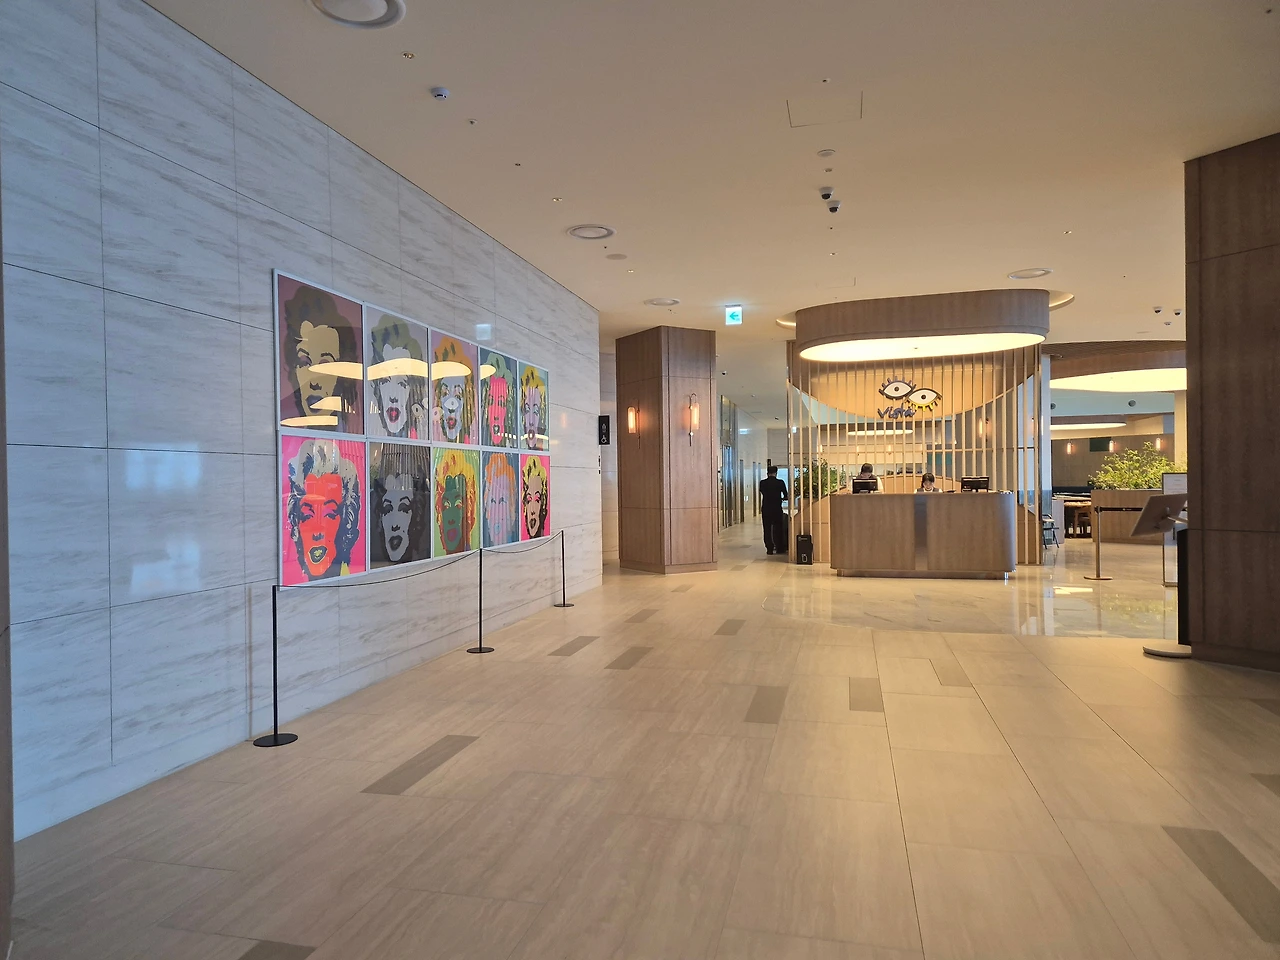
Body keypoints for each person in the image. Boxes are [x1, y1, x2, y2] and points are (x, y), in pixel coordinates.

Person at [758, 465, 788, 555]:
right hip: (777, 509)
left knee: (767, 529)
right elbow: (786, 495)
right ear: (776, 473)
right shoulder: (780, 483)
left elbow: (762, 492)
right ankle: (779, 548)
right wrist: (782, 498)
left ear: (767, 473)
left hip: (766, 508)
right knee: (778, 528)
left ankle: (769, 549)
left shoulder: (762, 483)